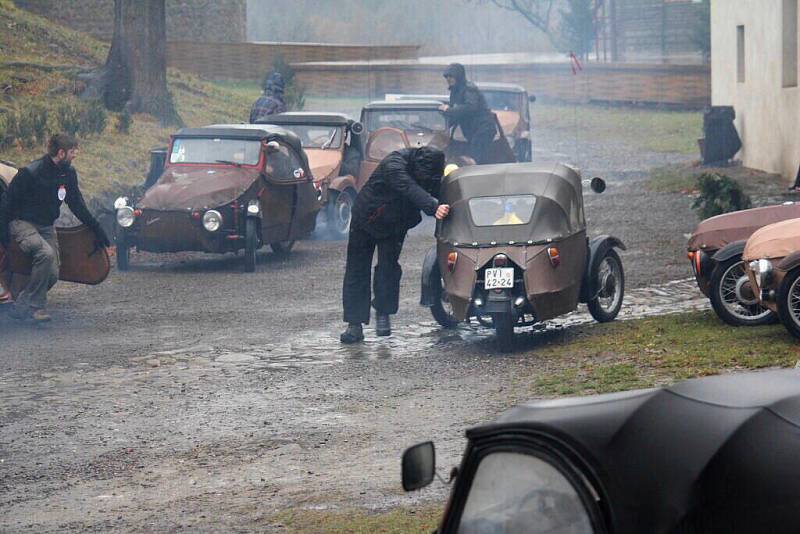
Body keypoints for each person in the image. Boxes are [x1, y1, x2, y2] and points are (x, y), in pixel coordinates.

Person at [340, 146, 450, 343]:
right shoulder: (394, 163)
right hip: (366, 218)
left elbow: (438, 189)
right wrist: (433, 206)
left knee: (388, 268)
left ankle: (383, 313)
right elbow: (407, 186)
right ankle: (354, 325)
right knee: (357, 271)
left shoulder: (430, 172)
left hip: (396, 224)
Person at [0, 133, 110, 322]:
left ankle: (21, 306)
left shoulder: (68, 174)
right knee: (45, 254)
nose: (75, 155)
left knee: (52, 273)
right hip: (22, 223)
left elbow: (76, 204)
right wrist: (3, 235)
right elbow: (7, 204)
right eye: (73, 152)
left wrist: (96, 228)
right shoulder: (30, 173)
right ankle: (36, 308)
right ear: (61, 153)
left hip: (46, 225)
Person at [439, 63, 497, 165]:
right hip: (474, 131)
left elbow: (471, 107)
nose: (448, 79)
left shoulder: (469, 89)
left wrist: (449, 110)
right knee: (474, 157)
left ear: (458, 76)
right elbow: (457, 116)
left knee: (474, 159)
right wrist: (442, 127)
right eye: (446, 77)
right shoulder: (455, 92)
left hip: (483, 129)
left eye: (451, 76)